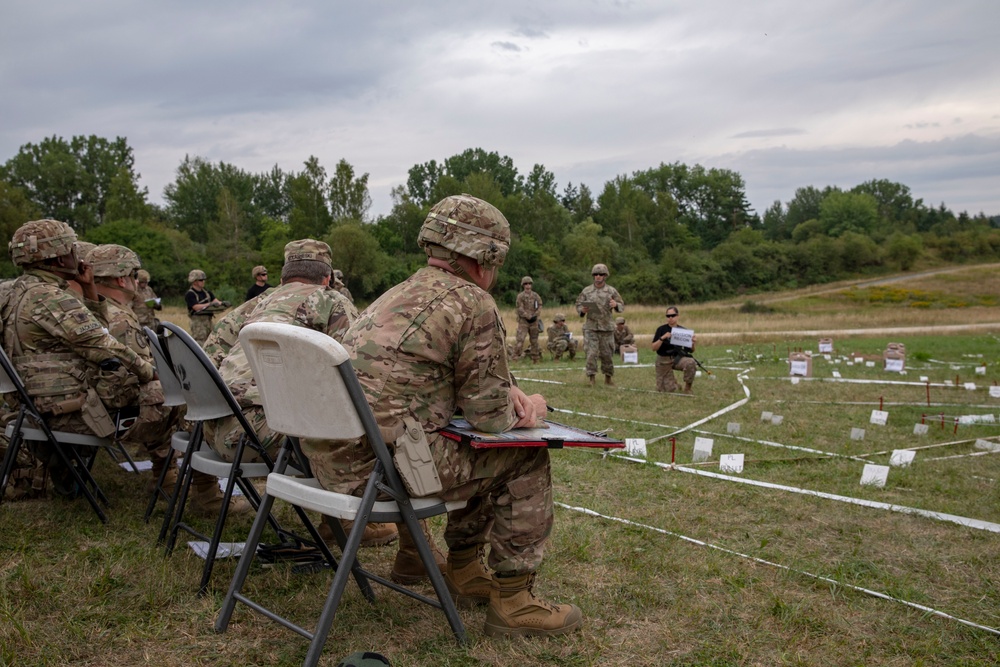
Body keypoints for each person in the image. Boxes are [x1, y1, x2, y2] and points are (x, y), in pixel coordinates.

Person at [302, 194, 582, 638]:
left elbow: (415, 380)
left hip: (334, 461)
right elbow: (490, 419)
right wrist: (532, 409)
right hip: (381, 472)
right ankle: (513, 601)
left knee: (464, 444)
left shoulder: (396, 294)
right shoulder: (473, 302)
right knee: (525, 455)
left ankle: (465, 569)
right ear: (486, 257)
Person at [201, 240, 393, 545]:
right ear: (328, 278)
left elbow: (208, 355)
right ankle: (344, 524)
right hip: (262, 434)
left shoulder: (254, 304)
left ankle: (201, 491)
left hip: (211, 428)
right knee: (374, 435)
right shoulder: (332, 301)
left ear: (281, 278)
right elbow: (355, 373)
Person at [1, 220, 156, 496]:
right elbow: (104, 346)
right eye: (72, 247)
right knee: (163, 397)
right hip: (66, 412)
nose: (78, 253)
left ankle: (65, 474)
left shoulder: (9, 291)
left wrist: (88, 291)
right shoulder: (51, 298)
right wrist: (149, 372)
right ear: (60, 256)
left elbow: (91, 334)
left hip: (28, 406)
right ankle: (184, 485)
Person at [86, 244, 245, 513]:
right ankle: (205, 493)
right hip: (114, 412)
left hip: (99, 405)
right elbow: (136, 376)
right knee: (194, 402)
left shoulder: (96, 309)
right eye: (135, 275)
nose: (139, 282)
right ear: (121, 278)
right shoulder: (117, 318)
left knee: (171, 394)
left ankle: (165, 475)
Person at [575, 263, 624, 386]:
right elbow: (578, 304)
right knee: (591, 354)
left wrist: (616, 305)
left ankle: (608, 378)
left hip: (606, 328)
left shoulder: (611, 291)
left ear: (605, 276)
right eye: (596, 274)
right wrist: (582, 310)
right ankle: (591, 378)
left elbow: (621, 305)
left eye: (601, 274)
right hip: (591, 327)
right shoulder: (586, 291)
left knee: (607, 354)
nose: (598, 276)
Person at [651, 306, 697, 394]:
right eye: (668, 316)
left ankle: (688, 388)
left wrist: (692, 342)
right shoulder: (661, 329)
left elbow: (691, 350)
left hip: (677, 358)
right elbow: (653, 347)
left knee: (690, 362)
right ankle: (674, 383)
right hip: (663, 359)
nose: (670, 318)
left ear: (677, 316)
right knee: (665, 390)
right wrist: (662, 338)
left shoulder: (683, 331)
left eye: (673, 315)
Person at [185, 269, 226, 345]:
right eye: (201, 280)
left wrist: (222, 304)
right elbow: (195, 307)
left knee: (213, 340)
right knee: (200, 341)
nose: (203, 282)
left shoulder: (207, 293)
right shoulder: (190, 294)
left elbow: (215, 301)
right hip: (198, 322)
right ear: (194, 281)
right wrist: (209, 304)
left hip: (208, 320)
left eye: (204, 280)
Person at [511, 276, 542, 363]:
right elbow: (519, 308)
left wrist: (535, 315)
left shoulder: (536, 296)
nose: (528, 286)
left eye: (529, 284)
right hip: (523, 321)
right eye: (526, 284)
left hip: (534, 321)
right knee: (520, 340)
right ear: (523, 285)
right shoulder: (520, 296)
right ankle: (515, 358)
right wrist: (527, 316)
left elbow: (540, 305)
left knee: (534, 341)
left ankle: (535, 359)